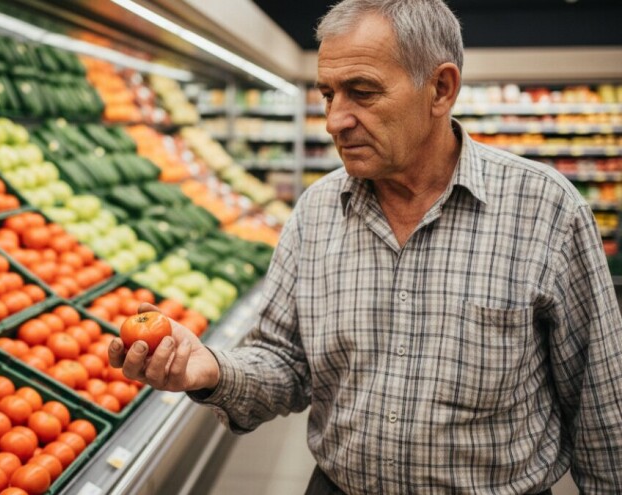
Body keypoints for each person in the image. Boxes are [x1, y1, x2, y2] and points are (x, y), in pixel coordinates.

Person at [108, 0, 622, 492]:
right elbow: (283, 362)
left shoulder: (546, 211)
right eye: (329, 94)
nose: (334, 120)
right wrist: (214, 369)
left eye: (362, 92)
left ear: (440, 89)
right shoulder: (315, 213)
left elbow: (602, 408)